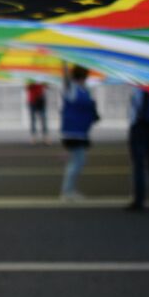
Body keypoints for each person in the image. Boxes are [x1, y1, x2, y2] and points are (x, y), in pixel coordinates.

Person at [58, 65, 99, 201]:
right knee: (77, 162)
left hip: (80, 131)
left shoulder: (82, 89)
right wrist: (63, 61)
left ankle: (69, 190)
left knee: (76, 161)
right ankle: (67, 192)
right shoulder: (72, 88)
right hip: (73, 131)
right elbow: (65, 78)